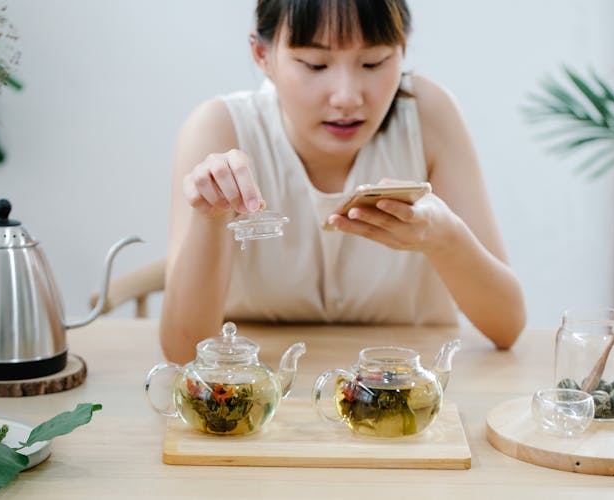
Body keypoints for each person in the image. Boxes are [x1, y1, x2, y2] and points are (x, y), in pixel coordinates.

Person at [160, 0, 526, 364]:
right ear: (262, 55)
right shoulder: (219, 129)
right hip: (263, 395)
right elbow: (182, 353)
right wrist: (209, 218)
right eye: (315, 65)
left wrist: (445, 238)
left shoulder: (428, 116)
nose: (347, 97)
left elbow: (507, 327)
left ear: (402, 49)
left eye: (374, 62)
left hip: (406, 391)